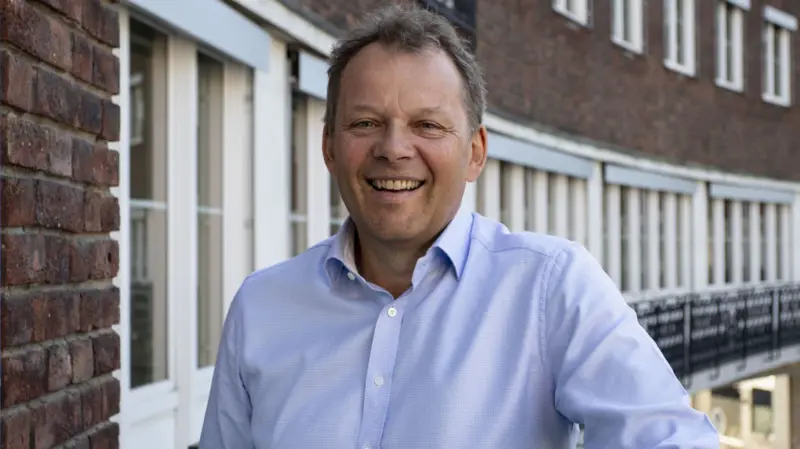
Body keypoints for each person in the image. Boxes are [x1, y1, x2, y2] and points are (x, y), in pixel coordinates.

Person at [198, 4, 720, 448]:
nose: (393, 149)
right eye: (365, 123)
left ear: (475, 153)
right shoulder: (260, 308)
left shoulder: (551, 287)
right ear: (329, 147)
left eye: (427, 125)